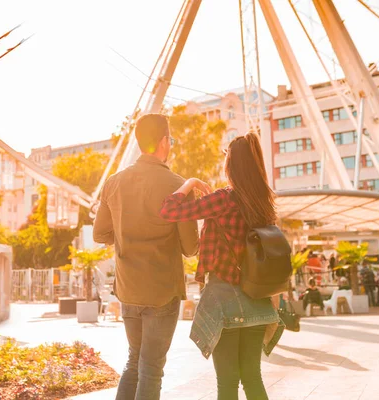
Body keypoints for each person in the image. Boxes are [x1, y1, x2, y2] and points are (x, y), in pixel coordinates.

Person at [159, 132, 281, 400]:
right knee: (252, 377)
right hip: (257, 299)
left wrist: (189, 183)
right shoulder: (265, 203)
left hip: (224, 299)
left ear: (231, 165)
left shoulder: (224, 199)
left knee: (227, 382)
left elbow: (169, 211)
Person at [93, 114, 199, 400]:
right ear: (164, 142)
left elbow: (100, 234)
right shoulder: (178, 186)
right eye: (171, 141)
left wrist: (128, 233)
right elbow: (191, 248)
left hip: (128, 289)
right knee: (151, 368)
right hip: (162, 290)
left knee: (134, 361)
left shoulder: (113, 183)